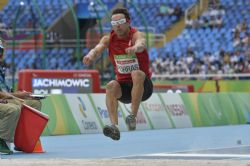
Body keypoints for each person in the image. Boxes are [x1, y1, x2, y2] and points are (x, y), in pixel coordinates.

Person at [83, 7, 153, 140]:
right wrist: (90, 55)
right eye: (114, 23)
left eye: (120, 22)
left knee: (136, 73)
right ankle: (114, 127)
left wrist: (135, 48)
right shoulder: (108, 39)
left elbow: (141, 43)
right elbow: (97, 49)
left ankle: (132, 116)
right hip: (125, 89)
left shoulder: (136, 35)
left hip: (144, 87)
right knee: (110, 85)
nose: (117, 26)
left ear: (128, 22)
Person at [0, 39, 42, 154]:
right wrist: (17, 96)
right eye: (2, 50)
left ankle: (23, 140)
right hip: (4, 101)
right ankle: (1, 140)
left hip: (6, 99)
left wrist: (19, 94)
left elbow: (5, 91)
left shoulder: (1, 68)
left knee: (34, 103)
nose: (3, 53)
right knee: (14, 108)